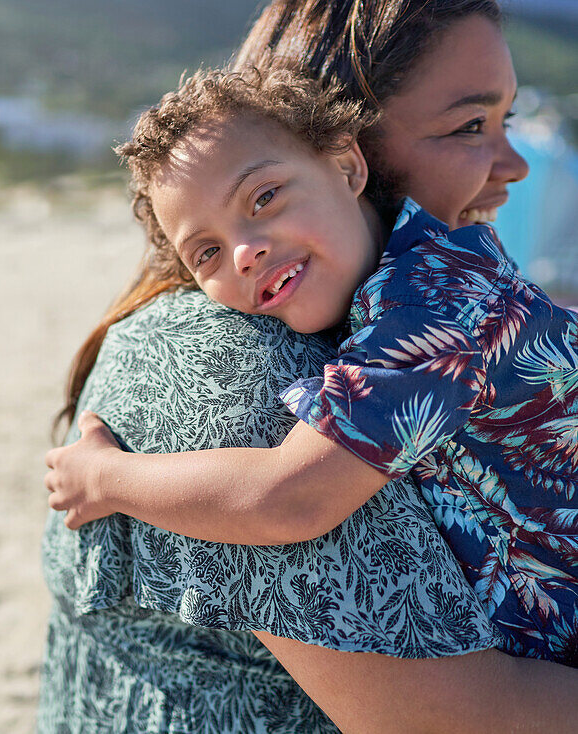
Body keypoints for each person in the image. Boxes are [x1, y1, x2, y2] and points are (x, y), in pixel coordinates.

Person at [38, 1, 578, 731]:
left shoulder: (428, 312)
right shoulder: (237, 359)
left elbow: (290, 498)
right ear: (352, 144)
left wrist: (107, 479)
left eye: (265, 198)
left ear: (346, 162)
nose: (245, 251)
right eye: (468, 126)